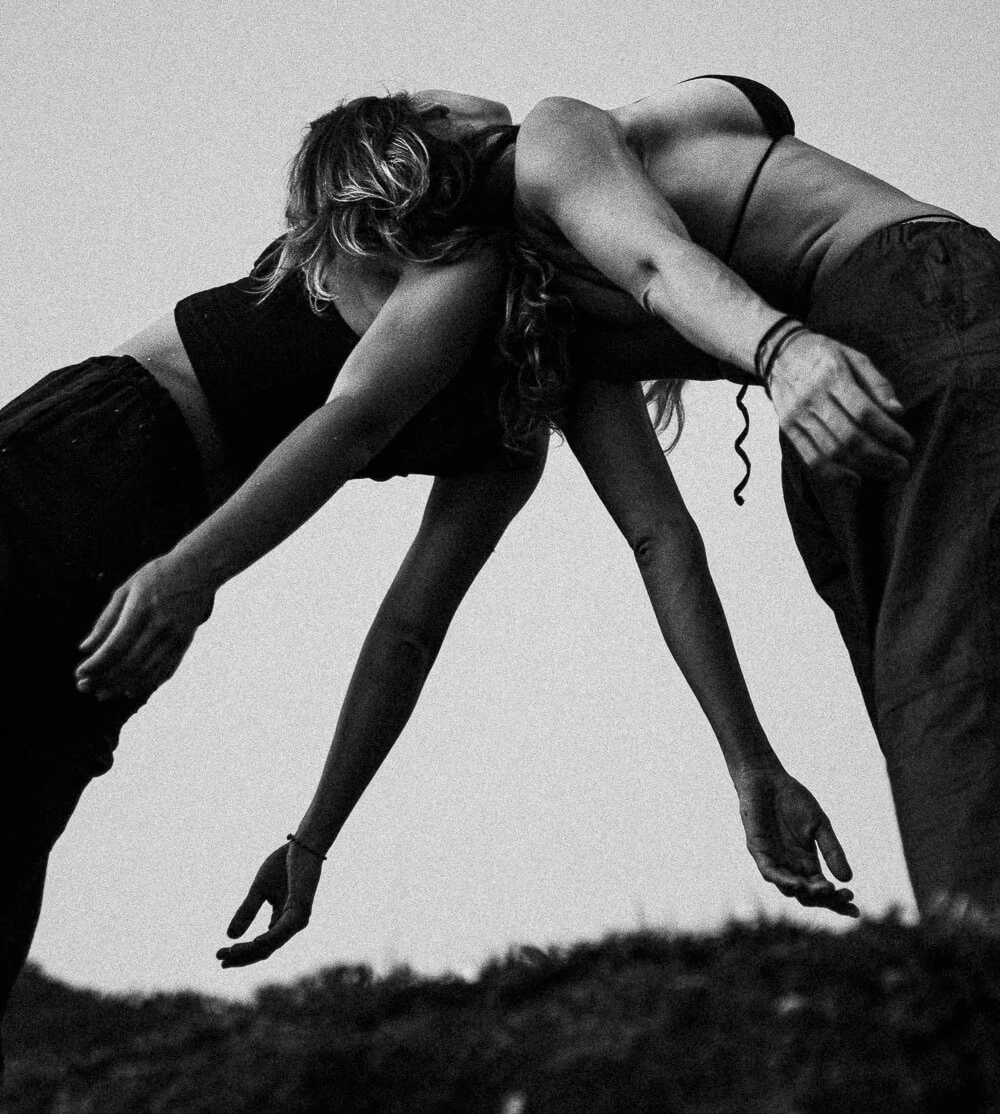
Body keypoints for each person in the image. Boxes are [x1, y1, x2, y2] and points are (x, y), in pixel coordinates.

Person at [3, 88, 853, 1062]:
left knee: (26, 796)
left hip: (158, 524)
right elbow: (354, 417)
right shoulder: (477, 242)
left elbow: (632, 550)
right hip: (94, 448)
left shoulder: (523, 411)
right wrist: (190, 577)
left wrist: (751, 765)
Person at [501, 72, 998, 920]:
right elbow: (662, 540)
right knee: (926, 706)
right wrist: (751, 762)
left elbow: (661, 261)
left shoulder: (551, 142)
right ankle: (966, 989)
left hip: (886, 310)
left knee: (952, 679)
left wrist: (779, 350)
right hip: (828, 387)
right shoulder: (549, 324)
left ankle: (973, 971)